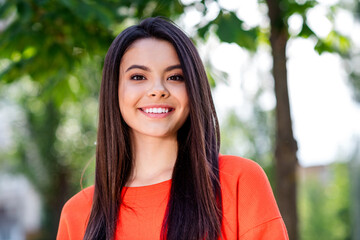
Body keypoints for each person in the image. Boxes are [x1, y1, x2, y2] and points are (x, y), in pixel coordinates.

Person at [56, 17, 288, 240]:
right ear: (114, 91)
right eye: (138, 76)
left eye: (175, 77)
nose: (158, 89)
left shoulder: (239, 181)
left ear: (193, 89)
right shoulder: (77, 214)